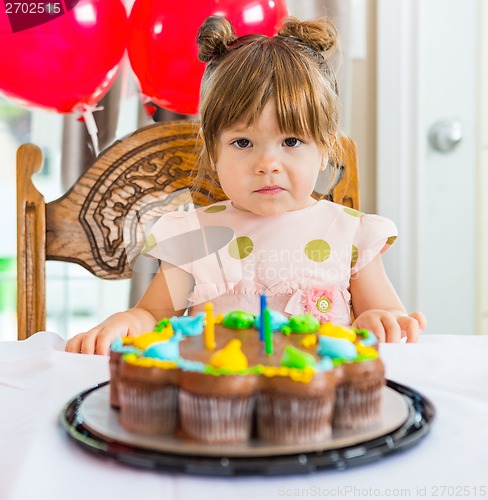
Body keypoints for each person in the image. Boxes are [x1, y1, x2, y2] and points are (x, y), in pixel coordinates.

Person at [66, 15, 426, 355]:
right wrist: (127, 322)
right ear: (213, 149)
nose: (267, 164)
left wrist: (380, 321)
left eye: (291, 142)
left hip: (317, 406)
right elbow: (152, 318)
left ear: (326, 146)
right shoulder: (197, 235)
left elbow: (384, 317)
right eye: (243, 143)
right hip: (219, 403)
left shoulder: (350, 235)